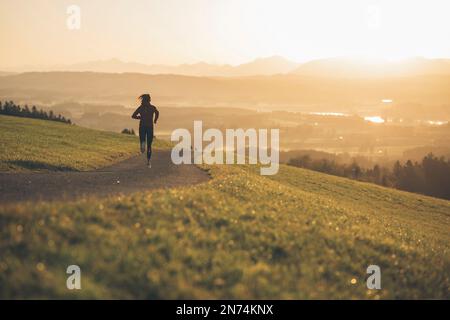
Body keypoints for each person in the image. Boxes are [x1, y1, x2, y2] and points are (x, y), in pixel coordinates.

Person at [131, 94, 159, 168]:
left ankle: (142, 146)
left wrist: (140, 117)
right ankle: (148, 161)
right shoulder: (152, 107)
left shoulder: (141, 108)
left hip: (142, 127)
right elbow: (157, 113)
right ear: (149, 100)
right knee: (149, 145)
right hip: (150, 127)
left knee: (143, 140)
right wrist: (155, 120)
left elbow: (133, 116)